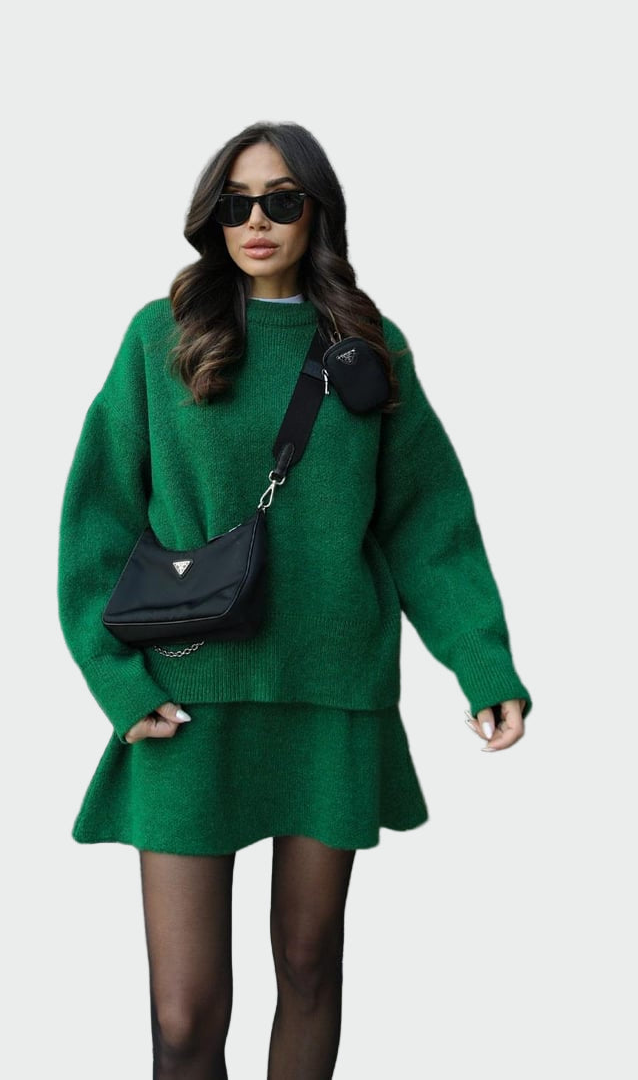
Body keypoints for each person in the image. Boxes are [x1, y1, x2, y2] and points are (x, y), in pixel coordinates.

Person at [57, 120, 532, 1079]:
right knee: (185, 1015)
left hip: (330, 694)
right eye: (236, 203)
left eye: (280, 199)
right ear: (213, 217)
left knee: (311, 967)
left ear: (317, 211)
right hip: (189, 701)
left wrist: (484, 662)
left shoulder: (368, 346)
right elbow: (97, 521)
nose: (257, 220)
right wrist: (119, 683)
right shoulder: (162, 336)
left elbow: (426, 519)